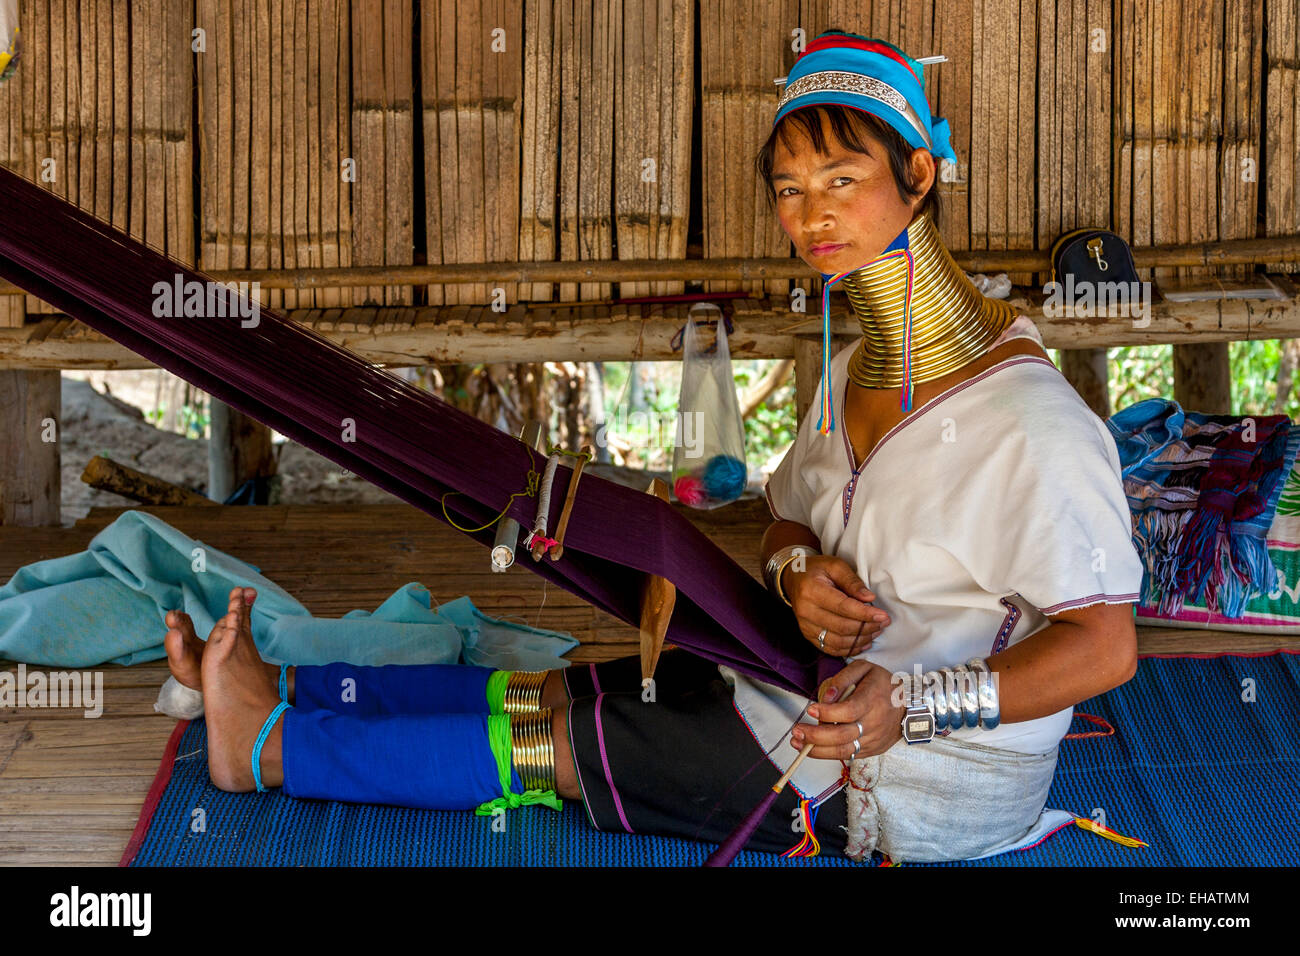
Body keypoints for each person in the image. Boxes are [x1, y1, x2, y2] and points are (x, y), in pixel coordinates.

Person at [164, 30, 1144, 863]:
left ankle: (266, 747)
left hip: (922, 774)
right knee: (569, 685)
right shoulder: (857, 371)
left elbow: (1103, 646)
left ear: (918, 173)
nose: (810, 215)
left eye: (841, 179)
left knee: (572, 741)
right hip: (799, 677)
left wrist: (916, 706)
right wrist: (797, 568)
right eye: (789, 189)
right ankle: (282, 687)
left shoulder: (1033, 423)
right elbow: (789, 515)